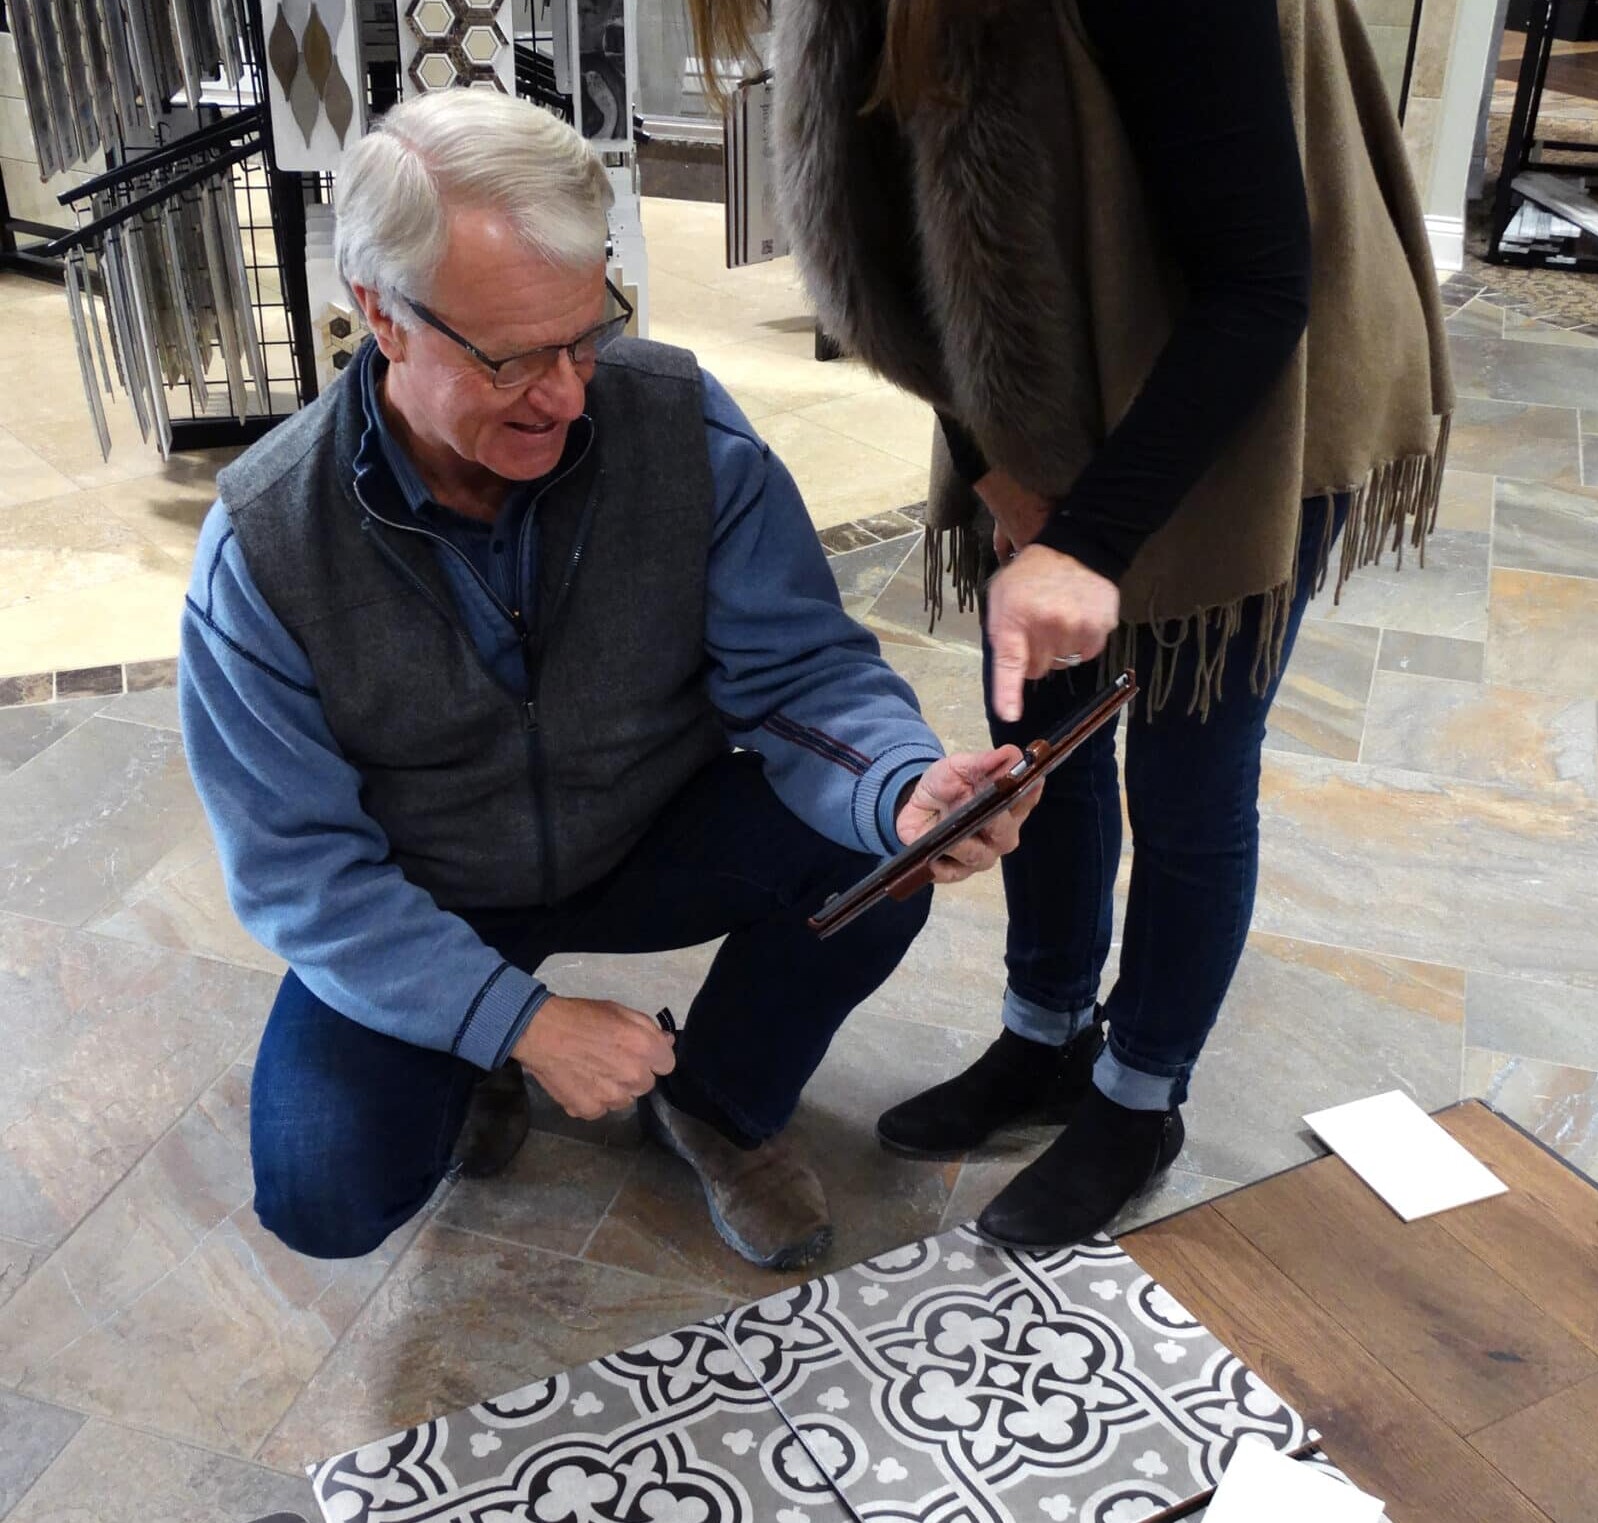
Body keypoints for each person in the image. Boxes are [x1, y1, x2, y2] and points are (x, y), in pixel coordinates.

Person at [638, 0, 1454, 1246]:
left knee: (1191, 769)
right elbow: (898, 243)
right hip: (1058, 372)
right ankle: (1041, 1032)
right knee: (1040, 743)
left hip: (1250, 377)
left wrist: (1089, 539)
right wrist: (999, 463)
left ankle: (1137, 1098)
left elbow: (1259, 285)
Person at [178, 89, 1038, 1272]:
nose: (569, 395)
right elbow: (299, 873)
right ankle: (475, 1054)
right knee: (326, 1191)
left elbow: (801, 670)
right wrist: (515, 1021)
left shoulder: (676, 425)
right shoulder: (268, 544)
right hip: (430, 887)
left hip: (647, 828)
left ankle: (717, 1100)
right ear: (380, 314)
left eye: (587, 335)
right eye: (513, 356)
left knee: (874, 854)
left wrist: (900, 785)